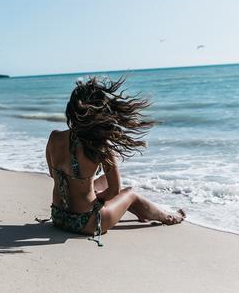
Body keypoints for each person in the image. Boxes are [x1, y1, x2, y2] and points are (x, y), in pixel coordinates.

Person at [45, 76, 185, 246]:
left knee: (101, 180)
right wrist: (98, 198)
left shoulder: (54, 137)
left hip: (59, 217)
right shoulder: (100, 145)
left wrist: (89, 192)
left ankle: (142, 212)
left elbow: (55, 176)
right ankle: (167, 216)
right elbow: (114, 190)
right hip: (86, 223)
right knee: (131, 193)